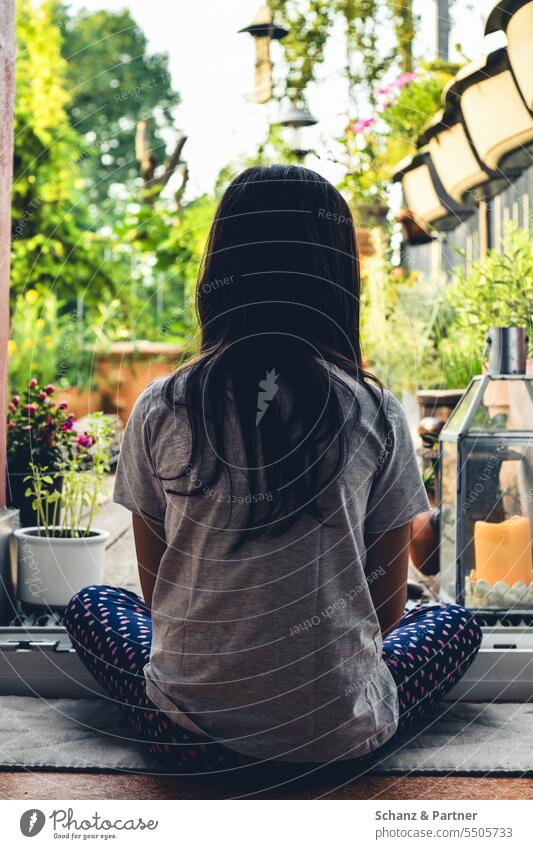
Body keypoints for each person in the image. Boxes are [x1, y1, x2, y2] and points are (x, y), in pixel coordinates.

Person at [64, 165, 481, 772]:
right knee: (451, 622)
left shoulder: (163, 406)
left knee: (92, 603)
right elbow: (388, 613)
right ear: (337, 277)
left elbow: (160, 599)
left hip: (184, 734)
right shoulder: (374, 411)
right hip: (339, 741)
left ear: (221, 270)